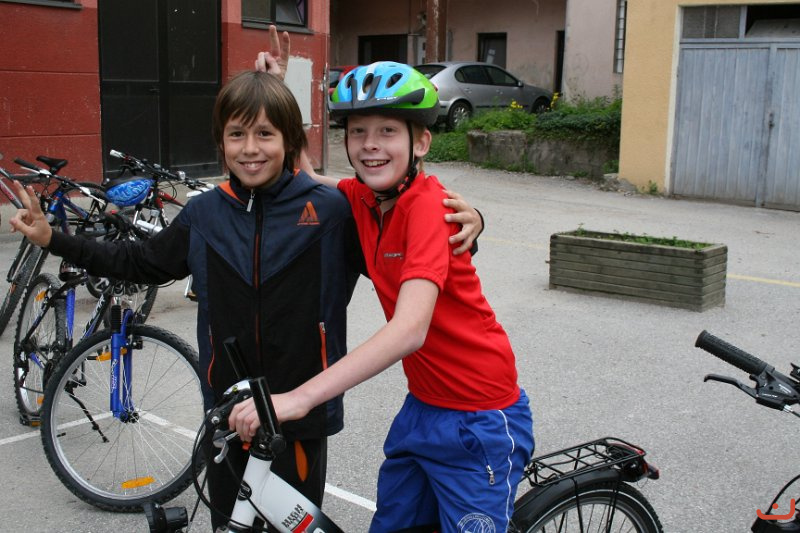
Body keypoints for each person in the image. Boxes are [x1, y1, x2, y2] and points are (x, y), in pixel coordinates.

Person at [9, 43, 484, 532]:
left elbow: (402, 252)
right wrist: (54, 240)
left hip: (297, 415)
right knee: (229, 524)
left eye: (265, 134)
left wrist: (469, 226)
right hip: (228, 408)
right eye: (237, 135)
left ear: (288, 140)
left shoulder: (332, 212)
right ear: (221, 142)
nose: (251, 149)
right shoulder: (204, 214)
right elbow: (141, 261)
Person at [230, 61, 534, 532]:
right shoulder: (365, 198)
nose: (370, 143)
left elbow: (409, 330)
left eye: (388, 130)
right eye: (358, 131)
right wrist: (283, 89)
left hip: (479, 415)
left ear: (421, 142)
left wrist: (300, 398)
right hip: (423, 406)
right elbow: (303, 175)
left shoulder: (427, 207)